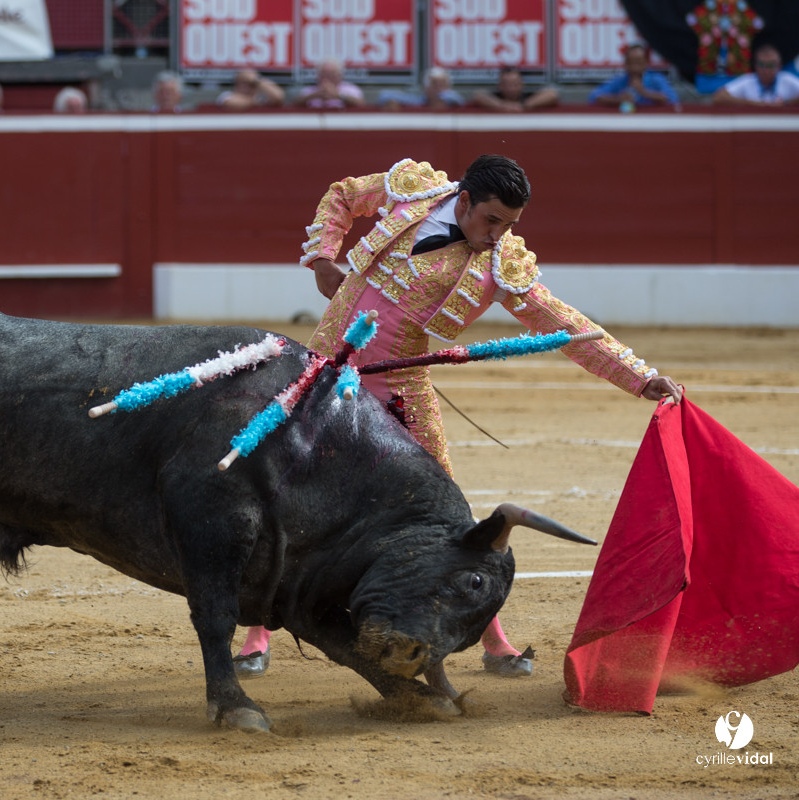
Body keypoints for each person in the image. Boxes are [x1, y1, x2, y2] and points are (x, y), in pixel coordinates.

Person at [233, 155, 682, 682]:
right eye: (491, 221)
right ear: (464, 201)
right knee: (283, 491)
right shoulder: (412, 192)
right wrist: (322, 260)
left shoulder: (499, 263)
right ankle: (258, 632)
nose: (497, 237)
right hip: (323, 372)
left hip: (398, 388)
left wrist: (638, 375)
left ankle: (493, 641)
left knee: (445, 515)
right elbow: (342, 195)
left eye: (509, 226)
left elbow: (561, 322)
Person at [589, 43, 680, 110]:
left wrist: (644, 92)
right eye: (630, 63)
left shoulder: (656, 80)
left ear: (646, 63)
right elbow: (594, 97)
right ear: (625, 64)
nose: (634, 68)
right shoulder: (620, 81)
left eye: (638, 63)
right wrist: (618, 99)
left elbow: (672, 99)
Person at [712, 43, 799, 107]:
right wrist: (754, 104)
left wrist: (786, 103)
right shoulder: (748, 81)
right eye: (762, 65)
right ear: (755, 65)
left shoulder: (786, 80)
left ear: (779, 66)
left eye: (771, 65)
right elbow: (718, 97)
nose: (766, 70)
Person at [472, 67, 560, 112]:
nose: (511, 88)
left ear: (522, 85)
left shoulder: (528, 96)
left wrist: (524, 105)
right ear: (500, 86)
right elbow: (478, 96)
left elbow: (552, 94)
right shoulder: (496, 96)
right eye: (507, 85)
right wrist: (502, 105)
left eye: (515, 84)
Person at [379, 67, 464, 110]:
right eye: (434, 84)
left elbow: (451, 98)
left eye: (442, 84)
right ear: (426, 88)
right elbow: (385, 95)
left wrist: (440, 99)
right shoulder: (420, 100)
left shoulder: (453, 98)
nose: (439, 88)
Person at [297, 60, 365, 109]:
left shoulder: (351, 89)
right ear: (318, 76)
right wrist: (316, 95)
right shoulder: (309, 90)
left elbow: (361, 105)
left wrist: (339, 96)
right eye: (324, 75)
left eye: (332, 75)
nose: (328, 78)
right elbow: (295, 104)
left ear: (340, 76)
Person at [217, 69, 285, 110]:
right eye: (243, 83)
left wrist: (256, 79)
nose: (246, 87)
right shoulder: (227, 95)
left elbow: (279, 96)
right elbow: (230, 103)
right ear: (236, 84)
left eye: (251, 84)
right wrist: (256, 102)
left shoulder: (261, 96)